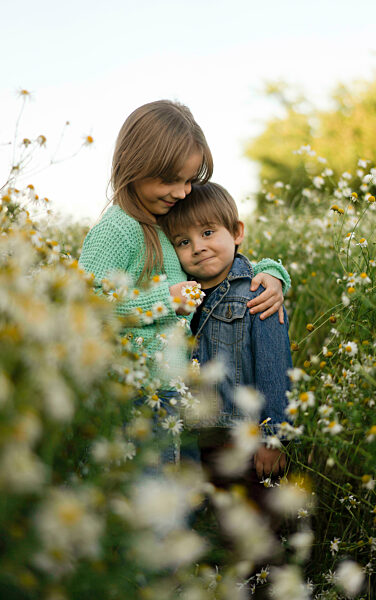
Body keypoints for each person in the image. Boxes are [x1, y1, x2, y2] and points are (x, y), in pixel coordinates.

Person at [78, 100, 290, 416]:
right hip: (131, 397)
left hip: (170, 399)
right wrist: (165, 301)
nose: (182, 193)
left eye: (189, 180)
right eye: (170, 180)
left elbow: (218, 267)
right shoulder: (118, 228)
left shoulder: (162, 220)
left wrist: (271, 273)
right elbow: (83, 306)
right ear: (132, 165)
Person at [159, 181, 292, 482]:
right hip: (192, 443)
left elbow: (274, 367)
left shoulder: (257, 291)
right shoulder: (182, 296)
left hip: (245, 441)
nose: (198, 248)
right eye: (183, 242)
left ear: (236, 232)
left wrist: (273, 438)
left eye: (207, 233)